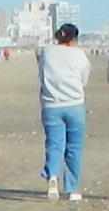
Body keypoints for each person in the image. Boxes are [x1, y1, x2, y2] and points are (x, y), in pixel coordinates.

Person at [36, 23, 90, 199]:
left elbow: (40, 66)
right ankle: (72, 189)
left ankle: (52, 176)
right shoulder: (79, 54)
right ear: (74, 39)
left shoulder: (46, 52)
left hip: (51, 105)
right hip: (74, 103)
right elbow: (84, 77)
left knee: (54, 143)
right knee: (74, 146)